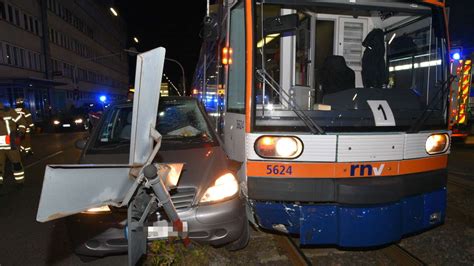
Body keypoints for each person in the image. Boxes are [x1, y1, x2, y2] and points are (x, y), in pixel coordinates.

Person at [0, 102, 27, 186]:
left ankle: (20, 181)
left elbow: (22, 122)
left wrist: (19, 133)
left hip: (11, 144)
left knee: (16, 164)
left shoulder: (9, 111)